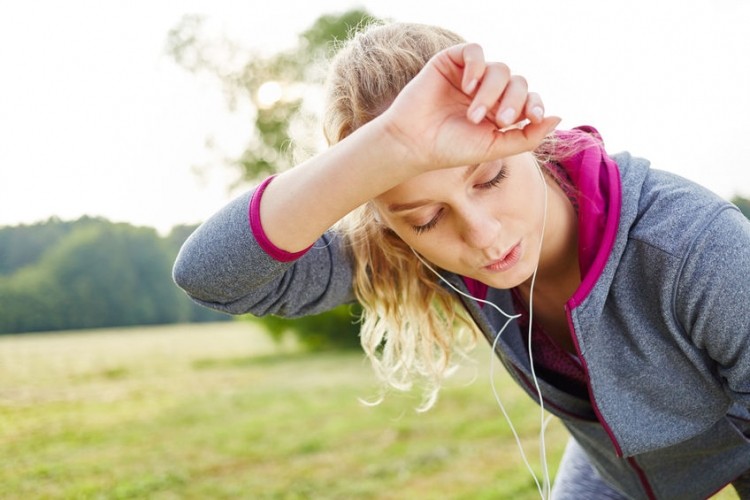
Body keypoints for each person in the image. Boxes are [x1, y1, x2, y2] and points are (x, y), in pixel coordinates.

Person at [173, 21, 750, 499]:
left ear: (525, 139)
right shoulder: (409, 249)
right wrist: (388, 147)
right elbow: (211, 276)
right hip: (616, 473)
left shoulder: (694, 249)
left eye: (492, 178)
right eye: (426, 217)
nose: (482, 236)